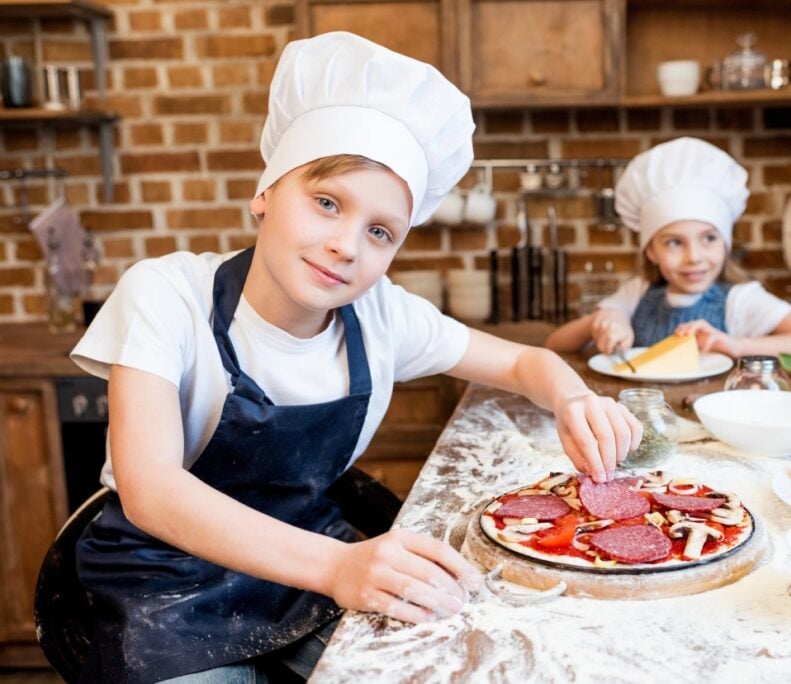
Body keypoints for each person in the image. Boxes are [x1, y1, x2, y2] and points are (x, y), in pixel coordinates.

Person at [70, 32, 642, 683]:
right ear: (265, 192)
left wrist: (574, 397)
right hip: (166, 586)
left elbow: (520, 365)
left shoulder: (381, 316)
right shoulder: (166, 295)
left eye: (379, 232)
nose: (346, 245)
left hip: (309, 571)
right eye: (326, 203)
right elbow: (151, 491)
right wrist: (339, 569)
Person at [545, 137, 791, 360]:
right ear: (650, 251)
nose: (694, 256)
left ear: (726, 243)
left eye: (708, 238)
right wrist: (602, 321)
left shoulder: (740, 301)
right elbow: (554, 345)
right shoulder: (636, 293)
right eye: (674, 242)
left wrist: (736, 344)